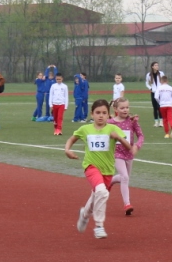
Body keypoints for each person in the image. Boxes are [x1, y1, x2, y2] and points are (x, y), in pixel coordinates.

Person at [64, 98, 132, 239]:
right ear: (92, 114)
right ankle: (99, 226)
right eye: (98, 112)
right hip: (91, 167)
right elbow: (72, 139)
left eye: (104, 113)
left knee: (97, 196)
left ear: (109, 115)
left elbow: (128, 147)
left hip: (107, 171)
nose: (101, 116)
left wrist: (119, 138)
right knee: (102, 192)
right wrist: (67, 150)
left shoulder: (113, 129)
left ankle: (84, 215)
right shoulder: (85, 129)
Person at [110, 97, 143, 216]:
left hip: (129, 154)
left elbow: (141, 136)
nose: (125, 110)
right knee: (124, 177)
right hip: (116, 153)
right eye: (122, 108)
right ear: (116, 109)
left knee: (125, 177)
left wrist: (137, 146)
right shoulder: (110, 123)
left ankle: (110, 181)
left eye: (127, 107)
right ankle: (127, 204)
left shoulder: (132, 121)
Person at [155, 74, 172, 138]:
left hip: (162, 105)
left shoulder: (159, 88)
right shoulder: (170, 88)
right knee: (170, 117)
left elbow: (156, 97)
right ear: (167, 81)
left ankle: (167, 133)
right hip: (169, 105)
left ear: (161, 81)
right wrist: (171, 102)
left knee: (165, 119)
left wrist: (160, 102)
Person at [145, 61, 163, 127]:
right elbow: (147, 83)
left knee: (159, 107)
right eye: (155, 65)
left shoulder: (161, 73)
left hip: (160, 93)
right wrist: (150, 88)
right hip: (153, 92)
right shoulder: (149, 75)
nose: (157, 66)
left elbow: (163, 82)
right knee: (155, 108)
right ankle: (156, 122)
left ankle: (161, 121)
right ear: (152, 67)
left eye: (157, 65)